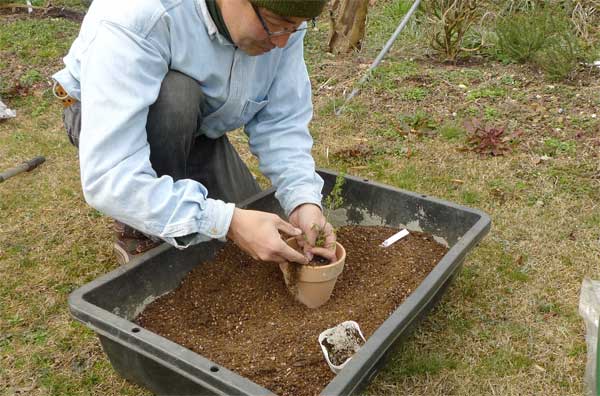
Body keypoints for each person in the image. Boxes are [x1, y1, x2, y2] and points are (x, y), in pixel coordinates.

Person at [52, 0, 337, 266]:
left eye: (295, 27)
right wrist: (227, 222)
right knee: (177, 96)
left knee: (252, 246)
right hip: (106, 115)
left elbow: (282, 121)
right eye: (277, 23)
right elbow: (110, 177)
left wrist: (302, 199)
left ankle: (182, 184)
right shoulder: (137, 15)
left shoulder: (280, 29)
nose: (281, 41)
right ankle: (139, 231)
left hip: (201, 124)